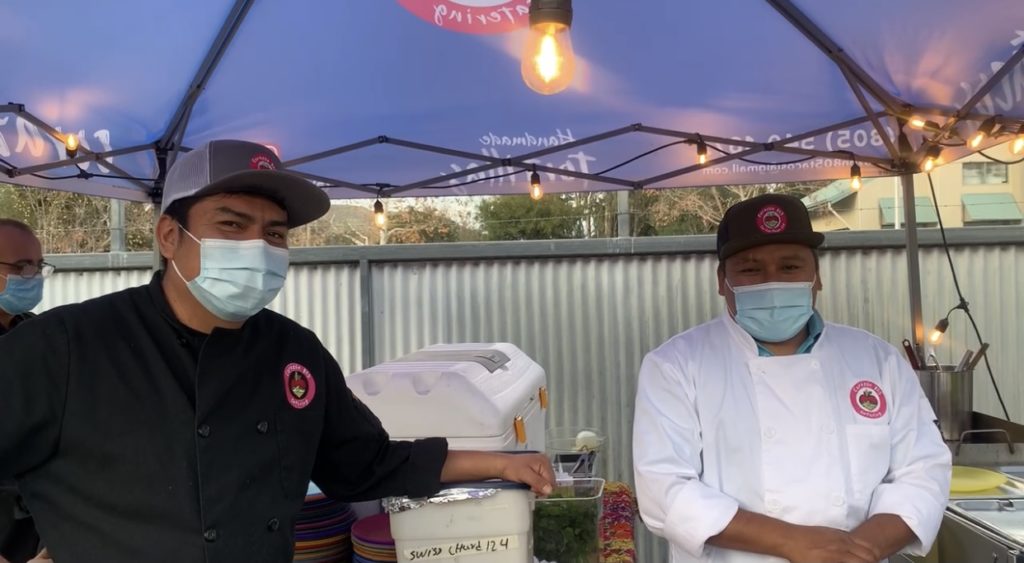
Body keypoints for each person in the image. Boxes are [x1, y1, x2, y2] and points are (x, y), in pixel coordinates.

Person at [0, 140, 555, 563]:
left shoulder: (294, 351)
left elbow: (363, 465)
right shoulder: (64, 347)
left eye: (273, 234)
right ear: (170, 237)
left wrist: (503, 463)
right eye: (231, 225)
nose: (256, 248)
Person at [632, 193, 951, 563]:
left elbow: (924, 469)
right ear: (723, 281)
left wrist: (858, 551)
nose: (772, 282)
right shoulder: (675, 365)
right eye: (751, 270)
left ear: (816, 277)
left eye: (789, 267)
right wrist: (796, 544)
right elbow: (664, 490)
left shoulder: (877, 360)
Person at [0, 219, 51, 563]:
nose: (31, 275)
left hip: (35, 522)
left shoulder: (37, 334)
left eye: (37, 265)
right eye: (21, 266)